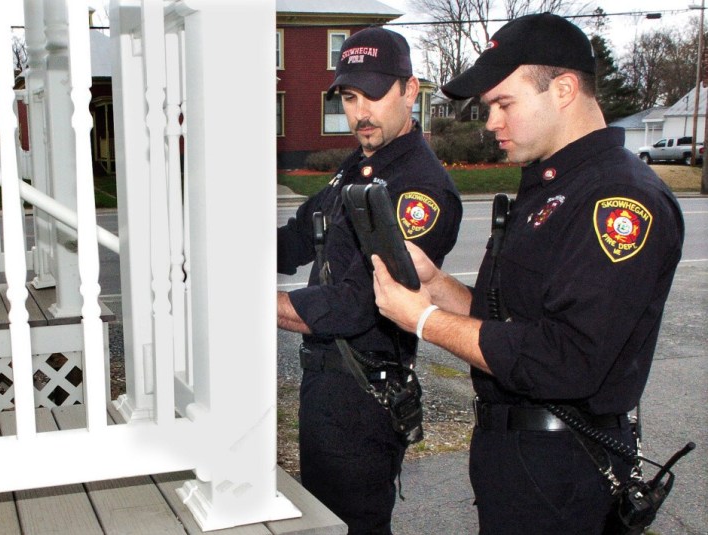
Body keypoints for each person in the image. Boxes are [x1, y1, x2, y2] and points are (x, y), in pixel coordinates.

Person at [371, 13, 685, 535]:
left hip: (564, 470)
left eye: (504, 104)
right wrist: (436, 287)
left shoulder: (618, 200)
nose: (490, 122)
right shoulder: (551, 185)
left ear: (562, 90)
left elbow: (566, 359)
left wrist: (423, 321)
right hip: (519, 461)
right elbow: (512, 318)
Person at [277, 27, 462, 534]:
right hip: (328, 384)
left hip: (363, 394)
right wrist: (219, 254)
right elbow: (297, 237)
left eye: (375, 95)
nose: (360, 112)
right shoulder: (359, 168)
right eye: (350, 96)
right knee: (325, 519)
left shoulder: (417, 190)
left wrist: (241, 301)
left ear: (410, 90)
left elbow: (358, 303)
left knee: (351, 524)